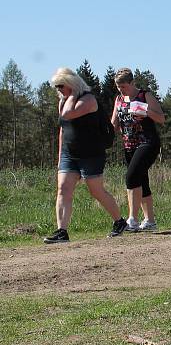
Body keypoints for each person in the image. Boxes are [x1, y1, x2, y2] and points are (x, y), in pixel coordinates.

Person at [44, 68, 127, 243]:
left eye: (61, 86)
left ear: (72, 85)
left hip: (91, 153)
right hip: (69, 154)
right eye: (57, 86)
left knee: (96, 191)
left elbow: (68, 114)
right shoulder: (63, 102)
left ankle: (119, 221)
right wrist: (60, 156)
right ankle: (62, 231)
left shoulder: (88, 100)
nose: (58, 89)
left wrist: (73, 93)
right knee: (63, 190)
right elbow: (63, 129)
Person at [111, 68, 165, 232]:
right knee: (141, 180)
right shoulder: (119, 99)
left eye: (124, 86)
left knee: (131, 177)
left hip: (147, 142)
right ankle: (150, 220)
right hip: (129, 145)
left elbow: (162, 118)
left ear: (132, 83)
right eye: (119, 87)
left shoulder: (144, 95)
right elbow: (114, 123)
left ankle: (132, 220)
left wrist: (146, 112)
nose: (122, 90)